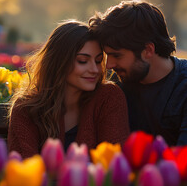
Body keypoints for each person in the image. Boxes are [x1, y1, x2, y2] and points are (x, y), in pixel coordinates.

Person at [88, 0, 187, 169]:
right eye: (106, 55)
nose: (109, 65)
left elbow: (185, 167)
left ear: (148, 50)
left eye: (117, 56)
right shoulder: (119, 82)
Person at [7, 20, 130, 158]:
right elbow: (24, 170)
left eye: (97, 61)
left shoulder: (108, 98)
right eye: (83, 61)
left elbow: (114, 163)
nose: (95, 70)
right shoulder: (26, 109)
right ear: (60, 62)